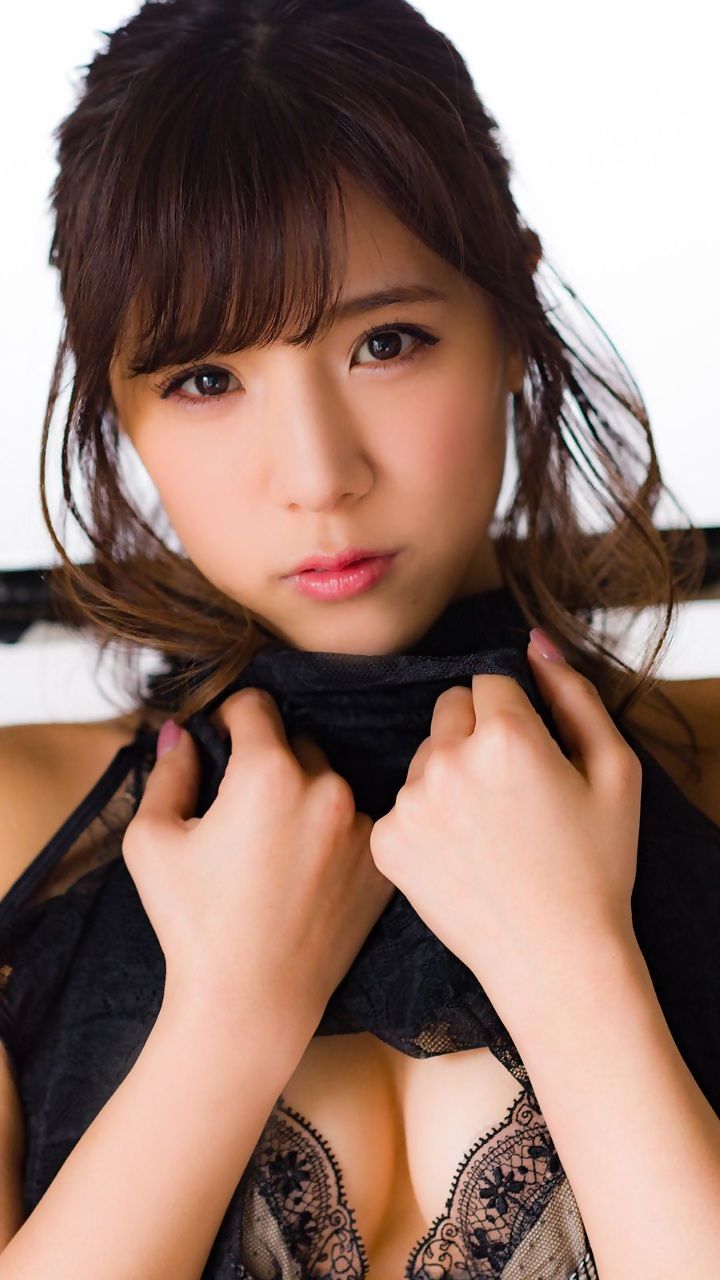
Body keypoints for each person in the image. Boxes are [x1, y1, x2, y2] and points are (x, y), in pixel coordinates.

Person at [0, 1, 719, 1276]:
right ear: (117, 399)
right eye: (205, 378)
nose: (318, 474)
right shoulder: (20, 833)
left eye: (386, 342)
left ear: (511, 319)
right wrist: (225, 1016)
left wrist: (577, 969)